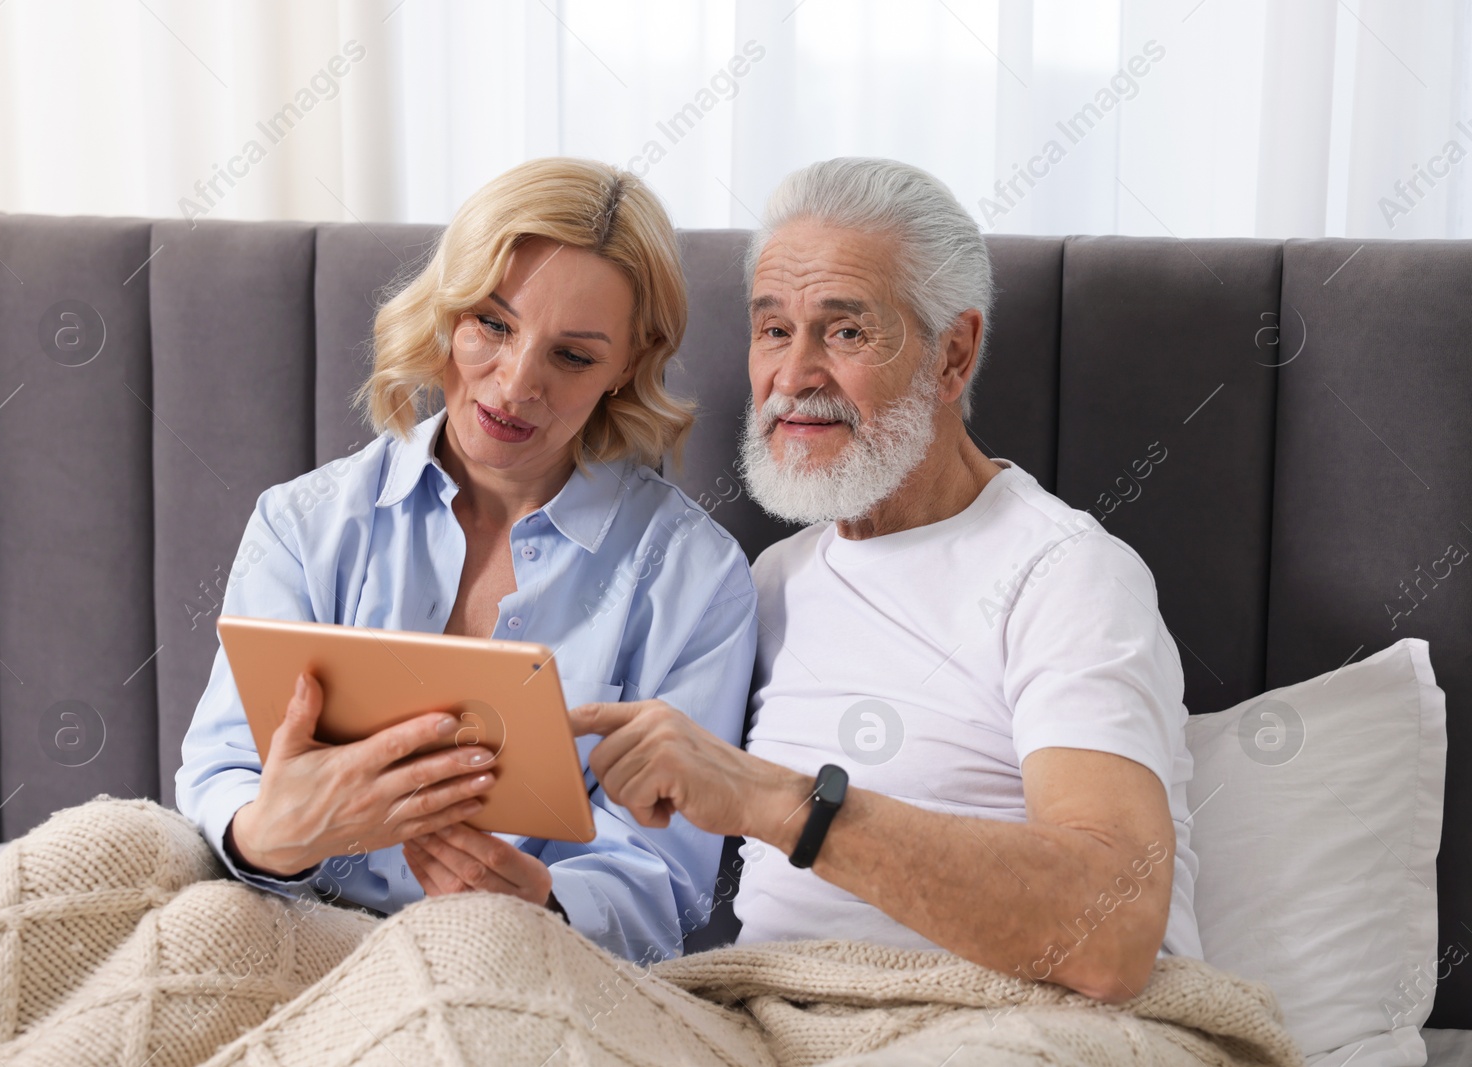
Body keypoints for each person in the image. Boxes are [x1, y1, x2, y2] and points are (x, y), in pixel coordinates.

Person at [572, 156, 1201, 1003]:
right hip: (762, 1020)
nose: (792, 378)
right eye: (772, 329)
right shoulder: (768, 582)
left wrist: (779, 801)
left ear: (953, 355)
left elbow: (1115, 930)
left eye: (846, 331)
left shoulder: (1068, 574)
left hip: (995, 1023)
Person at [175, 157, 757, 965]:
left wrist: (544, 904)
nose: (516, 385)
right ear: (446, 310)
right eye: (492, 323)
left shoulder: (695, 579)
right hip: (293, 933)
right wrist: (271, 835)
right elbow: (224, 763)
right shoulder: (303, 524)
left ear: (627, 363)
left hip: (525, 964)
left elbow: (670, 879)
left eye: (574, 356)